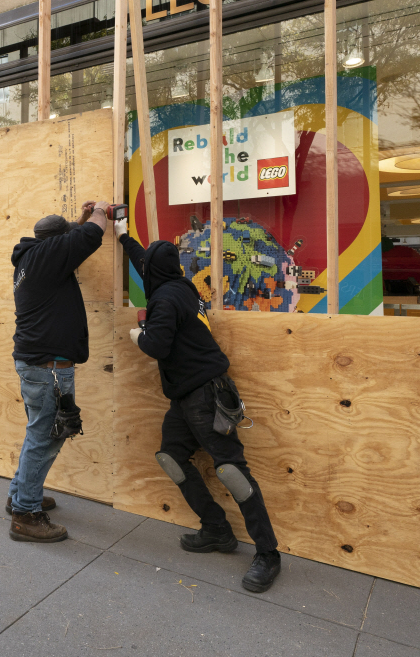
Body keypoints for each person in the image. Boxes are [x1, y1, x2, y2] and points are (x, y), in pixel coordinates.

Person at [116, 218, 281, 593]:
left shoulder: (167, 297)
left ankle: (268, 554)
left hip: (206, 395)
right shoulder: (179, 287)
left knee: (232, 472)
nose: (145, 272)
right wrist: (123, 232)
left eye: (146, 270)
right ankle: (217, 530)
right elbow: (147, 261)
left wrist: (138, 334)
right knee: (171, 457)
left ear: (154, 274)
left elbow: (156, 345)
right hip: (186, 397)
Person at [8, 200, 108, 543]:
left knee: (37, 433)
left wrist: (77, 219)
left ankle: (20, 493)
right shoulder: (46, 258)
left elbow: (71, 237)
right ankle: (26, 514)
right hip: (48, 369)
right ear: (55, 243)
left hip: (37, 365)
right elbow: (90, 235)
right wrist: (101, 211)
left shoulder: (32, 257)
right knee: (46, 437)